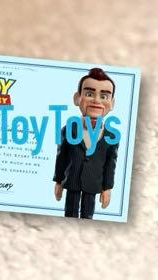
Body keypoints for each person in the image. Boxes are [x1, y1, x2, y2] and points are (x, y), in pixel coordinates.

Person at [53, 67, 119, 219]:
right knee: (70, 214)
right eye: (89, 94)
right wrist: (58, 181)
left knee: (88, 216)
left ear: (111, 103)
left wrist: (107, 188)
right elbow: (61, 156)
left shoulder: (112, 135)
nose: (96, 101)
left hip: (93, 183)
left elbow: (111, 164)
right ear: (77, 98)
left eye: (104, 96)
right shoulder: (69, 129)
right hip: (72, 181)